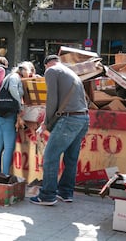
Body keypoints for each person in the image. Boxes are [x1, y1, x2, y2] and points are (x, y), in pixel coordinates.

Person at [30, 54, 89, 206]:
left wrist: (45, 123)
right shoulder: (70, 72)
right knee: (71, 158)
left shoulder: (52, 71)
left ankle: (47, 195)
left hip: (69, 119)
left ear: (46, 65)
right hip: (83, 118)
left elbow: (52, 100)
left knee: (50, 156)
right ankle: (65, 192)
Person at [0, 62, 30, 175]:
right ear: (23, 70)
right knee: (9, 147)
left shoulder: (8, 76)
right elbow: (13, 89)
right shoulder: (15, 77)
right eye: (29, 71)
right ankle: (5, 175)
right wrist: (19, 105)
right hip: (8, 115)